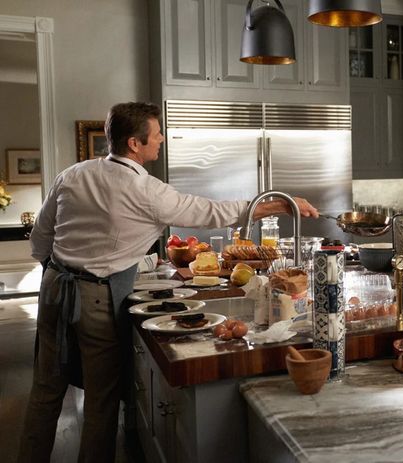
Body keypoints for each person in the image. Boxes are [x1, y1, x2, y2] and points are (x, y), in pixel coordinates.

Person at [18, 102, 319, 462]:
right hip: (96, 297)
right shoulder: (145, 190)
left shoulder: (73, 174)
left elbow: (41, 236)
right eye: (156, 134)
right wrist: (280, 204)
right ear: (134, 143)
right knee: (101, 397)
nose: (161, 139)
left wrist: (57, 271)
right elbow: (212, 212)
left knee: (46, 389)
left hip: (53, 288)